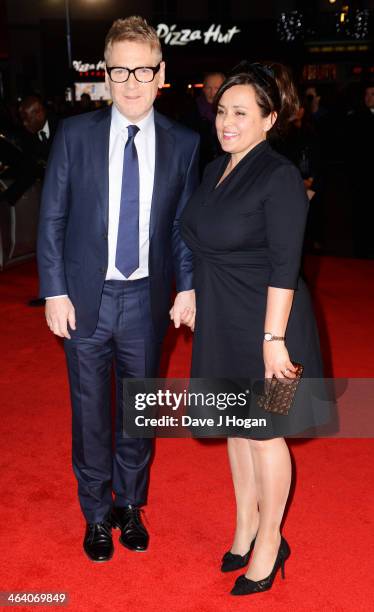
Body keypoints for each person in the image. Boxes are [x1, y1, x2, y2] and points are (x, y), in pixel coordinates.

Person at [37, 16, 199, 562]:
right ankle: (95, 514)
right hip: (86, 299)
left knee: (141, 409)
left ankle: (129, 504)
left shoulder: (183, 144)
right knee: (90, 413)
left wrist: (188, 287)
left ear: (161, 74)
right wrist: (54, 291)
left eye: (143, 70)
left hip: (147, 299)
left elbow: (181, 226)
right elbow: (52, 220)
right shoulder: (74, 135)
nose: (131, 82)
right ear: (106, 74)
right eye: (120, 70)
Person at [181, 62, 329, 596]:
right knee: (236, 430)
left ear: (270, 119)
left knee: (266, 436)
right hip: (222, 318)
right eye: (222, 110)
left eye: (241, 112)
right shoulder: (214, 169)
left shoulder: (279, 176)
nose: (227, 121)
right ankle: (244, 526)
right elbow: (200, 240)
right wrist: (193, 293)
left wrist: (273, 341)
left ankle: (271, 540)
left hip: (272, 324)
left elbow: (285, 264)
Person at [182, 71, 225, 172]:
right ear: (203, 89)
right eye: (208, 88)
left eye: (216, 88)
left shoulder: (232, 112)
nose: (212, 92)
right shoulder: (191, 112)